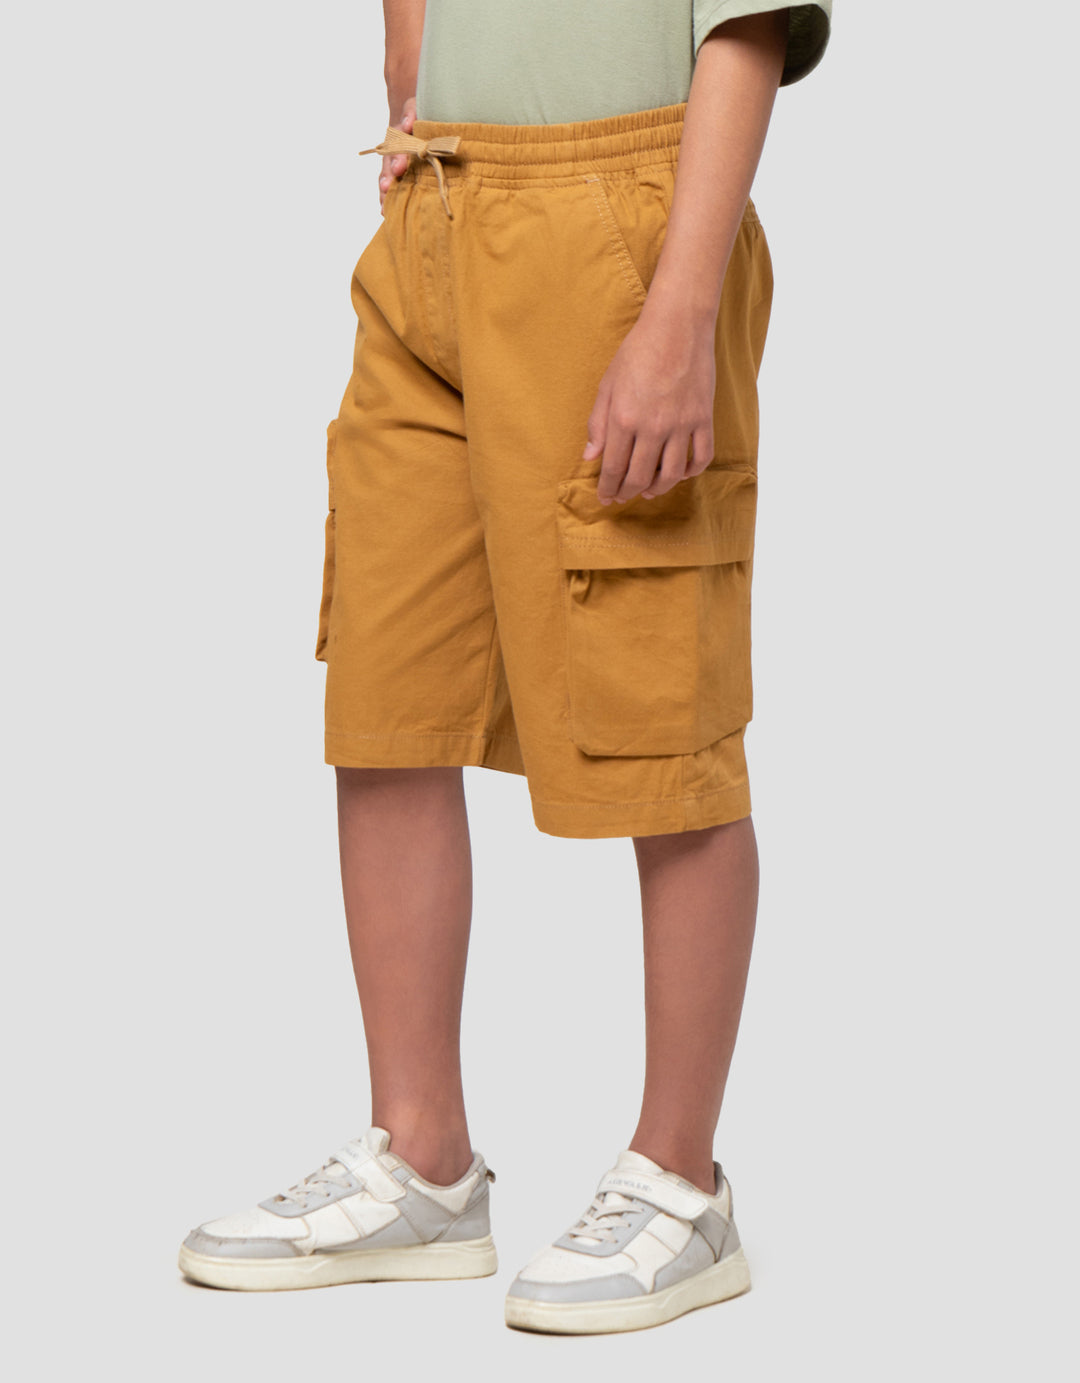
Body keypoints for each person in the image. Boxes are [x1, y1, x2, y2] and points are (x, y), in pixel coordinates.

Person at [178, 0, 833, 1335]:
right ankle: (421, 1156)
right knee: (389, 691)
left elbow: (747, 24)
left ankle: (681, 1180)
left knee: (654, 702)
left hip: (620, 210)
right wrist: (406, 70)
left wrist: (680, 309)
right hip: (437, 200)